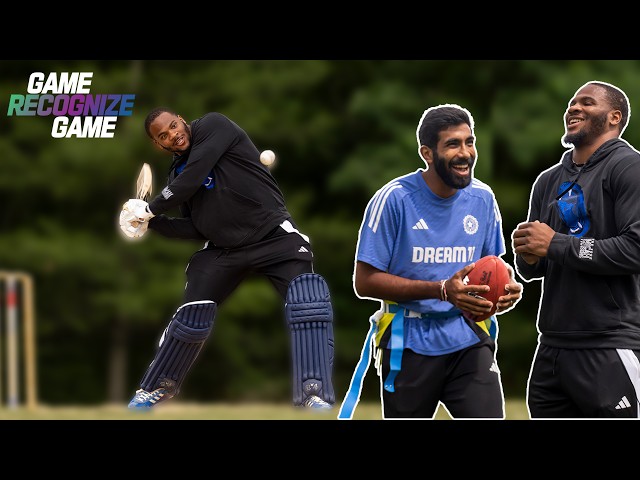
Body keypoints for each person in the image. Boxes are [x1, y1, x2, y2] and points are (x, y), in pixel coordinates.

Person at [118, 108, 336, 411]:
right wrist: (149, 223)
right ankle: (154, 389)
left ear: (181, 119)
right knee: (192, 315)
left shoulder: (213, 126)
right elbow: (195, 226)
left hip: (274, 236)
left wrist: (151, 208)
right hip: (223, 249)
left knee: (307, 302)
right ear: (159, 145)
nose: (173, 134)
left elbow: (194, 176)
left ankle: (314, 393)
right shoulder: (176, 175)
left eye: (173, 125)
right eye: (163, 135)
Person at [340, 104, 522, 419]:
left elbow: (492, 266)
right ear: (427, 153)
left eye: (469, 141)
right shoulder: (394, 199)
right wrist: (440, 289)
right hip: (409, 345)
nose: (465, 153)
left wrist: (505, 288)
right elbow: (364, 281)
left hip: (468, 337)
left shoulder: (483, 199)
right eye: (453, 144)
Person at [512, 81, 640, 418]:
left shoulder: (630, 168)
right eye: (571, 103)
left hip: (610, 343)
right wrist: (528, 254)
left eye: (587, 103)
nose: (574, 108)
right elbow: (534, 270)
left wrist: (554, 243)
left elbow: (635, 249)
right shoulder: (547, 180)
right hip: (551, 348)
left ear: (614, 117)